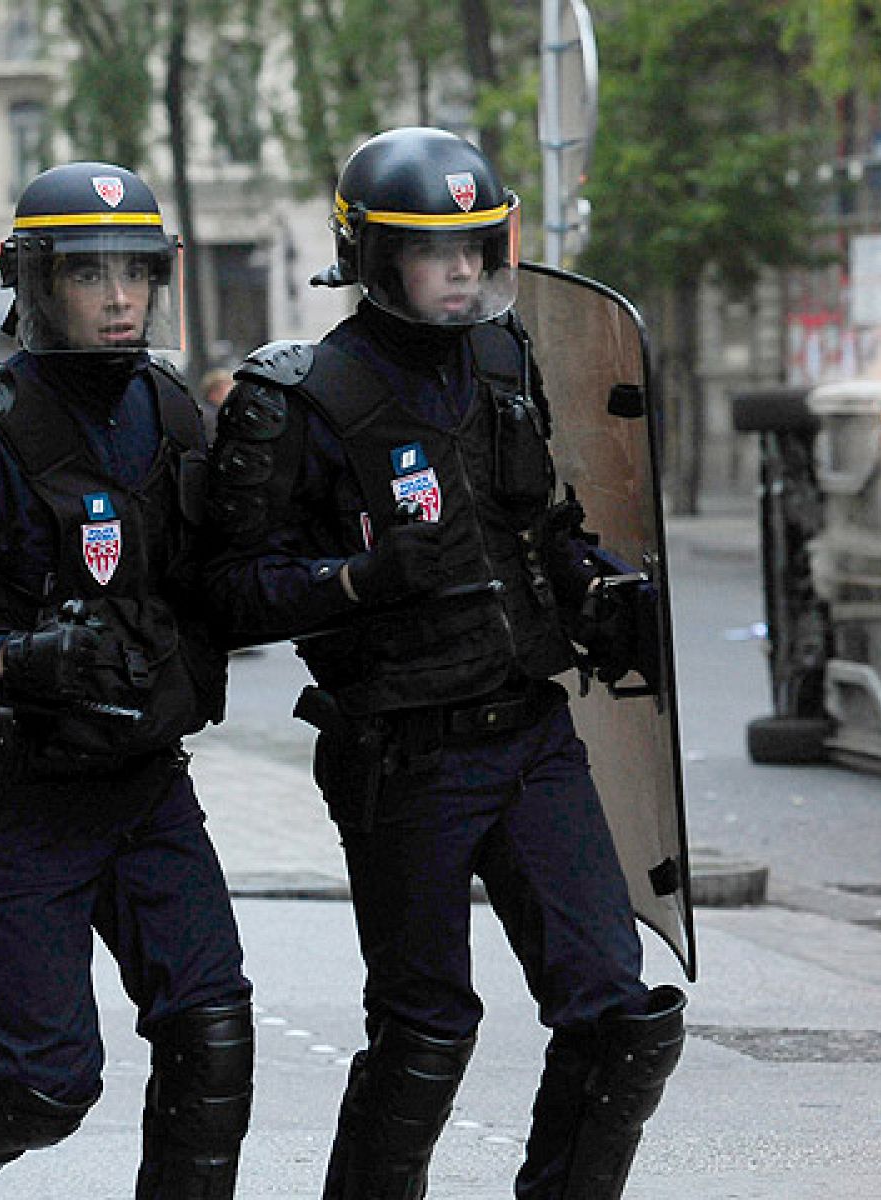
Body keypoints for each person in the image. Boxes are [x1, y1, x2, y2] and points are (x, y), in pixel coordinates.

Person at [203, 126, 684, 1199]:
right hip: (403, 755)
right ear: (374, 258)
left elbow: (538, 522)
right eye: (436, 251)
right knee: (425, 1029)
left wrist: (593, 584)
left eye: (478, 246)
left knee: (618, 1011)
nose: (464, 271)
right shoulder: (296, 399)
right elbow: (228, 590)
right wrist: (354, 585)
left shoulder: (506, 357)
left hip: (529, 732)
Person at [0, 162, 252, 1197]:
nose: (117, 298)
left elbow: (216, 586)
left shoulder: (173, 409)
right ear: (35, 284)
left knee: (213, 1038)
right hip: (10, 789)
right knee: (47, 1084)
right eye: (89, 274)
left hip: (144, 781)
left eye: (135, 274)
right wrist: (10, 661)